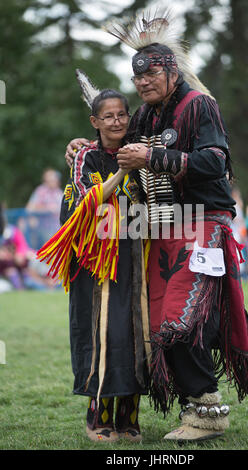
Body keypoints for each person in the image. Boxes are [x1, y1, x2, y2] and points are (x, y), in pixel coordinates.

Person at [64, 10, 248, 443]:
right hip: (162, 225)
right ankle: (194, 405)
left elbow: (215, 163)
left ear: (171, 70)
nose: (143, 83)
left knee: (182, 318)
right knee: (157, 321)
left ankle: (208, 412)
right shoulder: (145, 116)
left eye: (152, 74)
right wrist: (85, 143)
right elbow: (117, 142)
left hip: (204, 223)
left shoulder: (198, 105)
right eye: (138, 78)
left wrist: (157, 159)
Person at [37, 88, 150, 443]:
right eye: (108, 116)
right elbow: (89, 199)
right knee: (104, 332)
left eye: (122, 115)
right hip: (95, 258)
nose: (116, 121)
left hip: (134, 252)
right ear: (95, 121)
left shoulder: (141, 149)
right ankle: (98, 415)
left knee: (135, 330)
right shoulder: (84, 155)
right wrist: (121, 173)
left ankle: (129, 415)